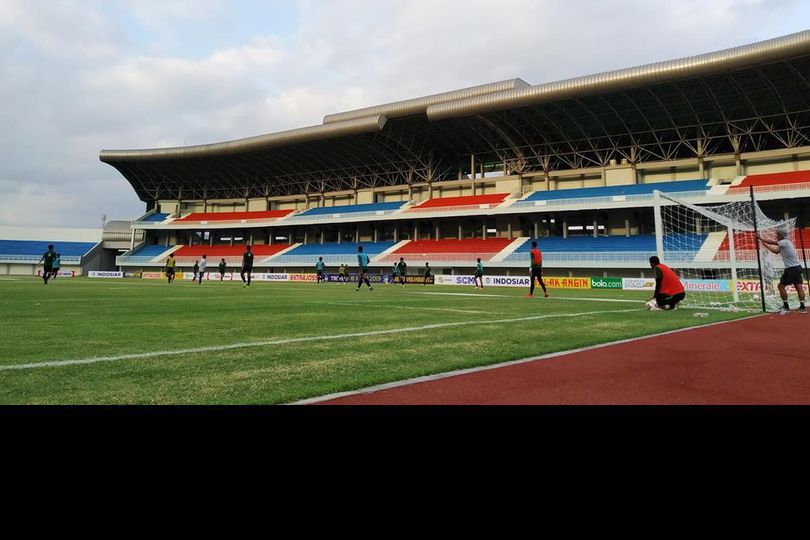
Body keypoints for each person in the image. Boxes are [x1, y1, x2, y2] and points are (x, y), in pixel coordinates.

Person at [759, 229, 806, 313]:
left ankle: (786, 306)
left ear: (780, 235)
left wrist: (760, 237)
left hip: (791, 268)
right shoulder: (786, 243)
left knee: (781, 287)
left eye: (777, 235)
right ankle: (802, 307)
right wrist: (765, 245)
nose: (776, 236)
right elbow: (776, 251)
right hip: (797, 267)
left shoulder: (784, 241)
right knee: (799, 287)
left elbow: (772, 242)